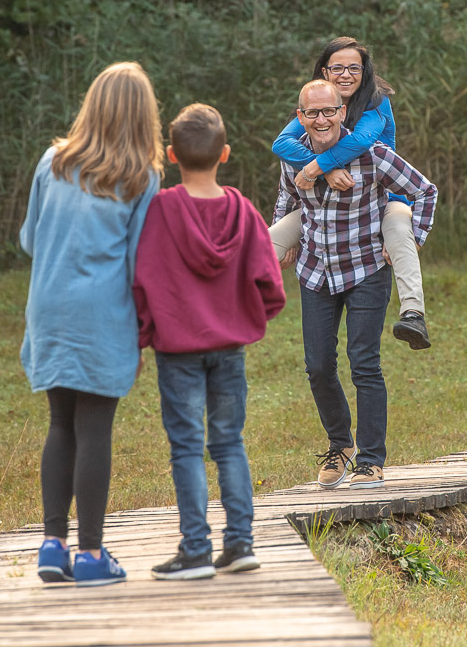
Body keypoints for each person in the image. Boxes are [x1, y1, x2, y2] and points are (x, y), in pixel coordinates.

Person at [20, 61, 164, 587]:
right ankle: (91, 555)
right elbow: (138, 263)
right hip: (103, 312)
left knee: (60, 423)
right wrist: (144, 331)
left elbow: (30, 241)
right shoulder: (142, 178)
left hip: (49, 309)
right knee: (94, 427)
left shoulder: (52, 161)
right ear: (143, 116)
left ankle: (52, 546)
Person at [134, 104, 287, 580]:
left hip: (177, 351)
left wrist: (143, 336)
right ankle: (240, 544)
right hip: (229, 350)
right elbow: (270, 284)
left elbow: (143, 281)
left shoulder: (161, 208)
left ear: (171, 155)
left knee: (186, 448)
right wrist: (244, 320)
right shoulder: (242, 209)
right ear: (224, 153)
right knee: (229, 444)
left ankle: (195, 550)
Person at [274, 80, 437, 490]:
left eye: (329, 111)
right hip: (315, 271)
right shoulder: (293, 159)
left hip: (365, 268)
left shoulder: (374, 155)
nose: (321, 119)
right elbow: (286, 198)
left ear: (343, 113)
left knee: (364, 362)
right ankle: (339, 444)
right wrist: (285, 237)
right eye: (312, 113)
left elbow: (425, 191)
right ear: (300, 118)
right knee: (317, 366)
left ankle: (370, 459)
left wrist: (410, 238)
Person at [270, 36, 432, 350]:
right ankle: (223, 307)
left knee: (401, 231)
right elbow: (281, 145)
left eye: (354, 68)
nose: (345, 74)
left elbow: (359, 143)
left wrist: (317, 168)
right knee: (265, 241)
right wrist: (324, 168)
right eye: (337, 68)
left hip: (381, 198)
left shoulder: (376, 102)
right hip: (322, 206)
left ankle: (413, 314)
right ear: (324, 72)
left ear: (364, 71)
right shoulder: (315, 105)